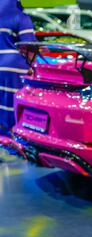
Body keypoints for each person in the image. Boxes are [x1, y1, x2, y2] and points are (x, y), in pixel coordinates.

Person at [0, 0, 36, 138]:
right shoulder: (20, 16)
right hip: (14, 67)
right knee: (14, 106)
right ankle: (13, 140)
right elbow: (29, 46)